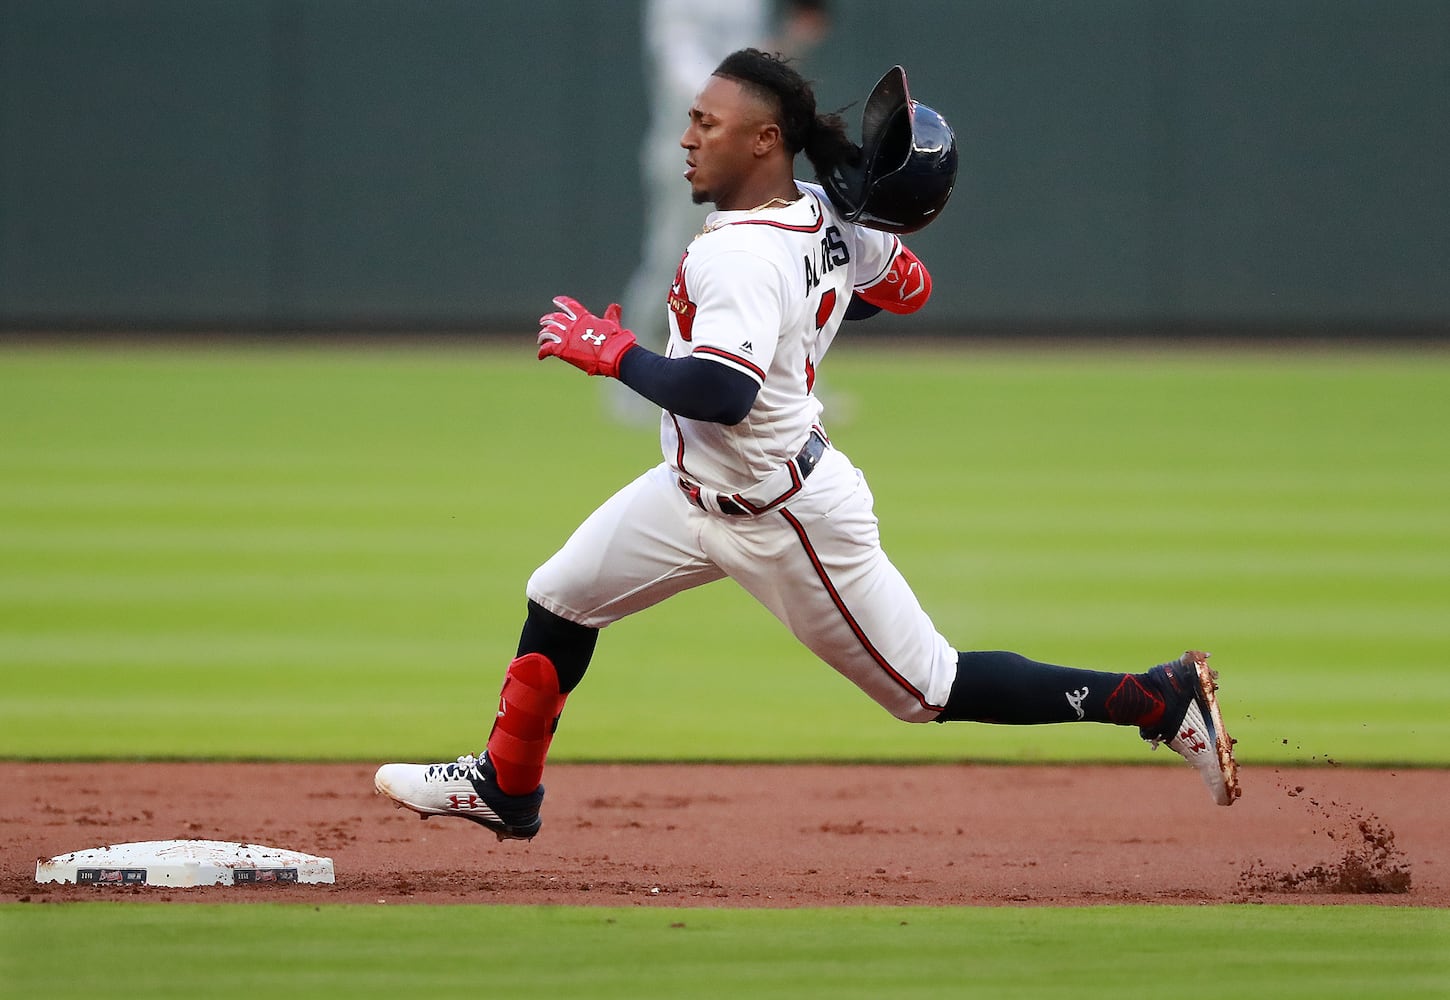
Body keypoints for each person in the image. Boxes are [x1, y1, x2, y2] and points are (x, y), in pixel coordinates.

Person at [375, 49, 1240, 841]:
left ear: (762, 141)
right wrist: (824, 283)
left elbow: (723, 392)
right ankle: (505, 786)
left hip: (785, 515)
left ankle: (1158, 700)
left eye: (705, 125)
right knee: (560, 596)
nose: (686, 139)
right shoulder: (824, 213)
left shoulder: (746, 256)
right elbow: (909, 286)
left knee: (928, 689)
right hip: (688, 495)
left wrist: (617, 356)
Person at [610, 0, 831, 426]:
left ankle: (794, 386)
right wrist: (739, 98)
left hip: (748, 154)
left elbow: (755, 64)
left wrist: (792, 40)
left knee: (779, 258)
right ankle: (626, 373)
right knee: (669, 263)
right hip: (689, 154)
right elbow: (680, 66)